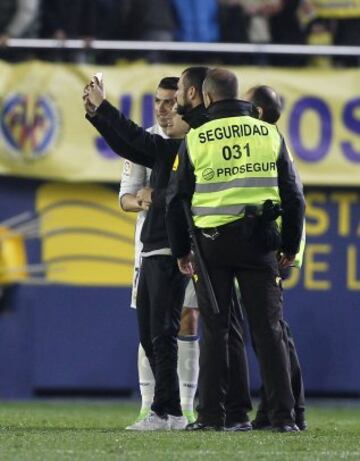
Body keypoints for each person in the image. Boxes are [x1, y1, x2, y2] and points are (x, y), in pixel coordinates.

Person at [84, 66, 253, 431]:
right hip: (155, 248)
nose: (167, 114)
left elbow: (139, 146)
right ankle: (167, 408)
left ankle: (170, 410)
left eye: (175, 107)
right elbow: (130, 144)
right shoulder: (168, 148)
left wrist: (104, 108)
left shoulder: (187, 147)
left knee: (165, 331)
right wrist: (97, 113)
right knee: (152, 332)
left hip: (172, 248)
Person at [166, 68, 306, 432]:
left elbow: (176, 200)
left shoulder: (197, 137)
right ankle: (283, 418)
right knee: (269, 330)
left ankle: (212, 416)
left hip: (212, 247)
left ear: (208, 97)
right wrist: (289, 245)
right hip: (261, 243)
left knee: (216, 330)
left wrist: (182, 250)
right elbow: (294, 197)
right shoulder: (269, 133)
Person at [119, 77, 200, 427]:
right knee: (151, 325)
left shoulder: (195, 141)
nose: (164, 108)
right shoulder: (146, 141)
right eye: (158, 101)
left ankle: (183, 403)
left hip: (185, 245)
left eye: (171, 101)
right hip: (149, 244)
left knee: (188, 320)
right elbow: (125, 196)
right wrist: (141, 199)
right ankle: (150, 402)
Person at [244, 84, 307, 431]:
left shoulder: (267, 144)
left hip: (275, 245)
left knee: (273, 333)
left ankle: (289, 410)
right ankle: (276, 408)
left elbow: (294, 199)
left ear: (259, 113)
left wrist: (288, 247)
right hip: (279, 244)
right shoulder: (270, 142)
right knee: (272, 332)